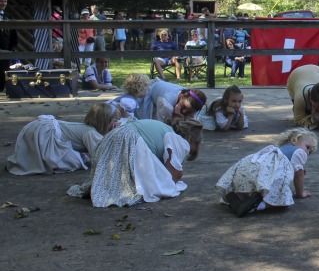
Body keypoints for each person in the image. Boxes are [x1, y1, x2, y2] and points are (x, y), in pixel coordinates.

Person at [68, 118, 203, 207]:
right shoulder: (178, 139)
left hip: (112, 138)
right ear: (191, 140)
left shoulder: (162, 128)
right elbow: (172, 174)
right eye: (190, 151)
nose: (186, 154)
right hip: (128, 141)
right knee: (167, 185)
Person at [216, 128, 317, 217]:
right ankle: (257, 205)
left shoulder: (277, 150)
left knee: (256, 184)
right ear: (294, 140)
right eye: (307, 147)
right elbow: (299, 177)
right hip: (269, 170)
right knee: (283, 198)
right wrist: (300, 193)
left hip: (254, 164)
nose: (307, 152)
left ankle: (238, 197)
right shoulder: (299, 152)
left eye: (310, 151)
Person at [6, 103, 118, 175]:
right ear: (105, 121)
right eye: (114, 121)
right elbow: (101, 155)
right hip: (45, 131)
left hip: (43, 126)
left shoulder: (88, 129)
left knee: (75, 160)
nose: (116, 124)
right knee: (73, 162)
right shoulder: (91, 133)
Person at [287, 64, 319, 130]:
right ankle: (303, 109)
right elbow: (298, 120)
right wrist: (313, 119)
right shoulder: (300, 98)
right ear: (310, 100)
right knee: (302, 111)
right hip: (296, 75)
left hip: (317, 70)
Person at [140, 80, 207, 123]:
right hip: (147, 93)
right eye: (184, 107)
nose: (184, 111)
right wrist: (178, 116)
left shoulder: (190, 98)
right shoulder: (166, 102)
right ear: (183, 95)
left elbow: (192, 123)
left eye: (189, 111)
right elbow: (162, 126)